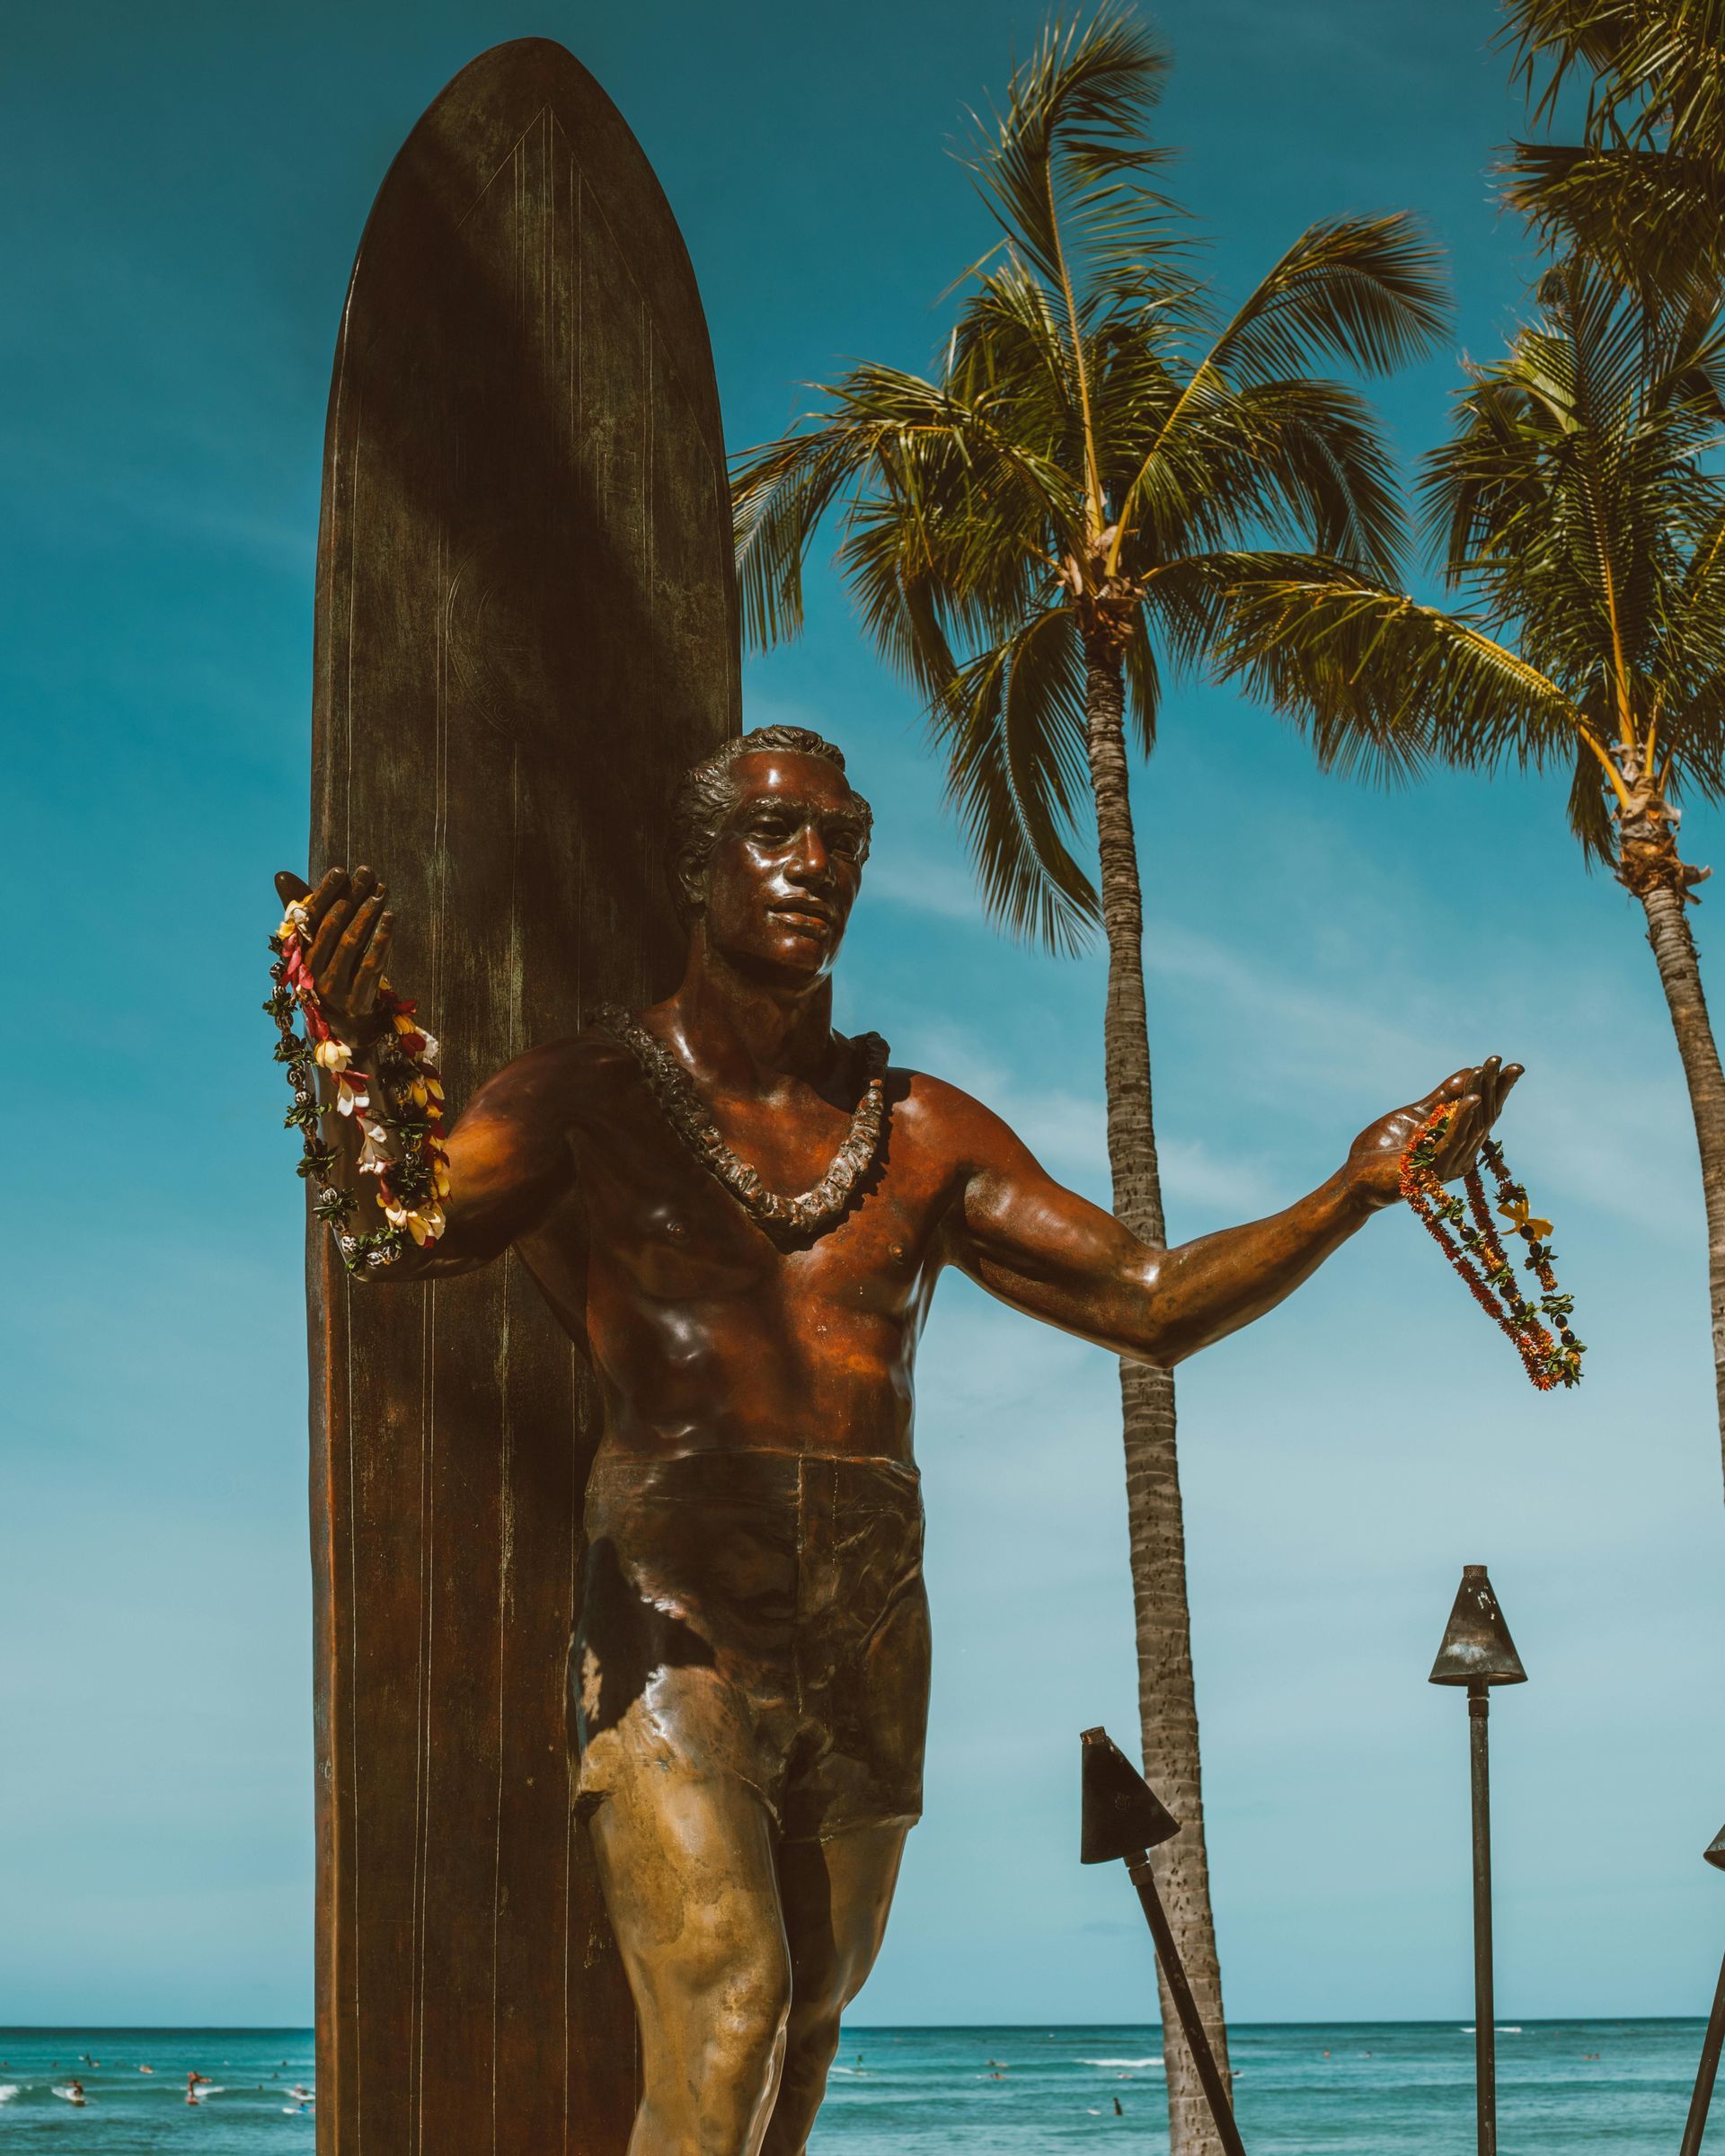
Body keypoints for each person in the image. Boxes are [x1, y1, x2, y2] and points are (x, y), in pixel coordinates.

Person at [274, 725, 1518, 2156]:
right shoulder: (586, 1096)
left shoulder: (920, 1129)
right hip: (676, 1608)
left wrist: (1354, 1187)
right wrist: (347, 1064)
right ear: (696, 866)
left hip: (872, 1621)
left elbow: (1148, 1303)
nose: (815, 865)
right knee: (732, 2007)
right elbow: (408, 1230)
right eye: (775, 832)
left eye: (845, 839)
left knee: (807, 2031)